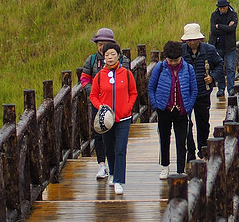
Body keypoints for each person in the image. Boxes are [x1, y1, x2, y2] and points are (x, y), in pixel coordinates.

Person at [81, 27, 129, 181]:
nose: (102, 47)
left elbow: (127, 82)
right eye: (99, 44)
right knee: (99, 133)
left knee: (115, 136)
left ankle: (115, 168)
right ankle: (102, 164)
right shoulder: (92, 60)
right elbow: (84, 79)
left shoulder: (122, 60)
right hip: (98, 104)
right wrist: (95, 92)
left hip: (118, 105)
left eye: (105, 44)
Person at [89, 41, 137, 195]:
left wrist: (128, 107)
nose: (110, 57)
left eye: (113, 54)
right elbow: (93, 95)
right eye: (107, 54)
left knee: (120, 149)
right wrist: (101, 107)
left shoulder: (127, 74)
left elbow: (133, 93)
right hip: (106, 120)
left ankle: (118, 180)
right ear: (103, 57)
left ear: (118, 56)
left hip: (123, 118)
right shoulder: (99, 76)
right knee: (109, 148)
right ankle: (112, 173)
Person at [148, 40, 197, 179]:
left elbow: (194, 90)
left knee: (181, 140)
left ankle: (181, 169)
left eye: (176, 60)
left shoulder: (188, 68)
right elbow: (151, 88)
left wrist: (188, 106)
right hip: (164, 109)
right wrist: (156, 105)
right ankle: (164, 166)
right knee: (164, 138)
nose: (173, 63)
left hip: (182, 110)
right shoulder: (160, 67)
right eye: (171, 60)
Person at [180, 22, 221, 162]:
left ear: (200, 39)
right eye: (189, 40)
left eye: (194, 40)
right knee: (186, 123)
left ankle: (203, 149)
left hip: (203, 92)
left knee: (203, 122)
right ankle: (190, 152)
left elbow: (219, 64)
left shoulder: (209, 50)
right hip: (185, 94)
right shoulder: (180, 52)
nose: (192, 43)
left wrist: (213, 77)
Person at [210, 0, 239, 99]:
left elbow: (232, 28)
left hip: (230, 46)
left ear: (227, 6)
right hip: (218, 45)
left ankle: (231, 88)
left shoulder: (233, 14)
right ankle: (221, 88)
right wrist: (226, 27)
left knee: (231, 68)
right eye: (221, 8)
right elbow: (213, 30)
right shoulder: (214, 15)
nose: (222, 9)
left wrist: (220, 26)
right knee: (219, 67)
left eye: (224, 7)